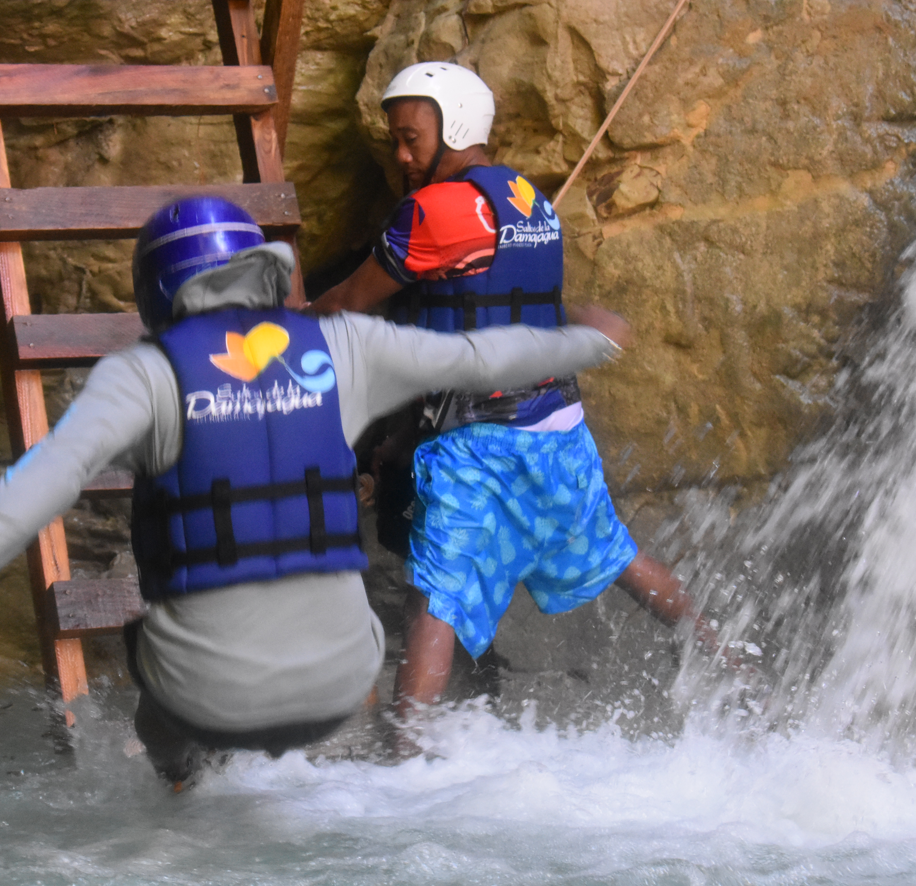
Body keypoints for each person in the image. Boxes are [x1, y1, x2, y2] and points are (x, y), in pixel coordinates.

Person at [0, 195, 634, 784]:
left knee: (149, 617)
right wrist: (590, 342)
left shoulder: (144, 374)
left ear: (158, 291)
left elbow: (50, 473)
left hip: (202, 699)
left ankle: (180, 782)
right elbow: (478, 356)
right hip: (340, 686)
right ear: (261, 271)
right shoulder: (344, 345)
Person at [306, 62, 724, 729]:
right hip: (557, 425)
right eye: (394, 139)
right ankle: (727, 656)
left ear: (455, 126)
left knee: (433, 597)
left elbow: (347, 305)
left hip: (480, 442)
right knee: (615, 552)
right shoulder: (530, 202)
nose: (401, 154)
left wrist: (271, 328)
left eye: (411, 137)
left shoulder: (434, 210)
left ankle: (406, 757)